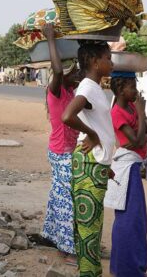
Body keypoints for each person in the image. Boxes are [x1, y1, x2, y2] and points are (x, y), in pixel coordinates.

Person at [62, 41, 115, 277]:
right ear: (95, 62)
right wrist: (92, 135)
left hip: (94, 164)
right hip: (88, 163)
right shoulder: (88, 87)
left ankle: (91, 273)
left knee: (91, 227)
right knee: (88, 228)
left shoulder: (95, 87)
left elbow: (100, 125)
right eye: (108, 57)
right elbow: (67, 116)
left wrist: (106, 164)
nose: (111, 62)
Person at [105, 71, 147, 277]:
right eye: (132, 87)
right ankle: (128, 271)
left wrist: (142, 121)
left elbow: (142, 132)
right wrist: (141, 111)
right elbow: (138, 140)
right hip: (126, 169)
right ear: (120, 89)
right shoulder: (117, 112)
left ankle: (127, 268)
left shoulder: (128, 107)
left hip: (132, 167)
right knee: (129, 221)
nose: (135, 91)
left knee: (136, 220)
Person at [36, 23, 80, 263]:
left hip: (67, 152)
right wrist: (51, 38)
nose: (77, 75)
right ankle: (67, 250)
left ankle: (56, 239)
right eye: (74, 72)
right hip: (60, 153)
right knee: (66, 201)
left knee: (59, 197)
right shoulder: (56, 92)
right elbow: (58, 70)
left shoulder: (73, 93)